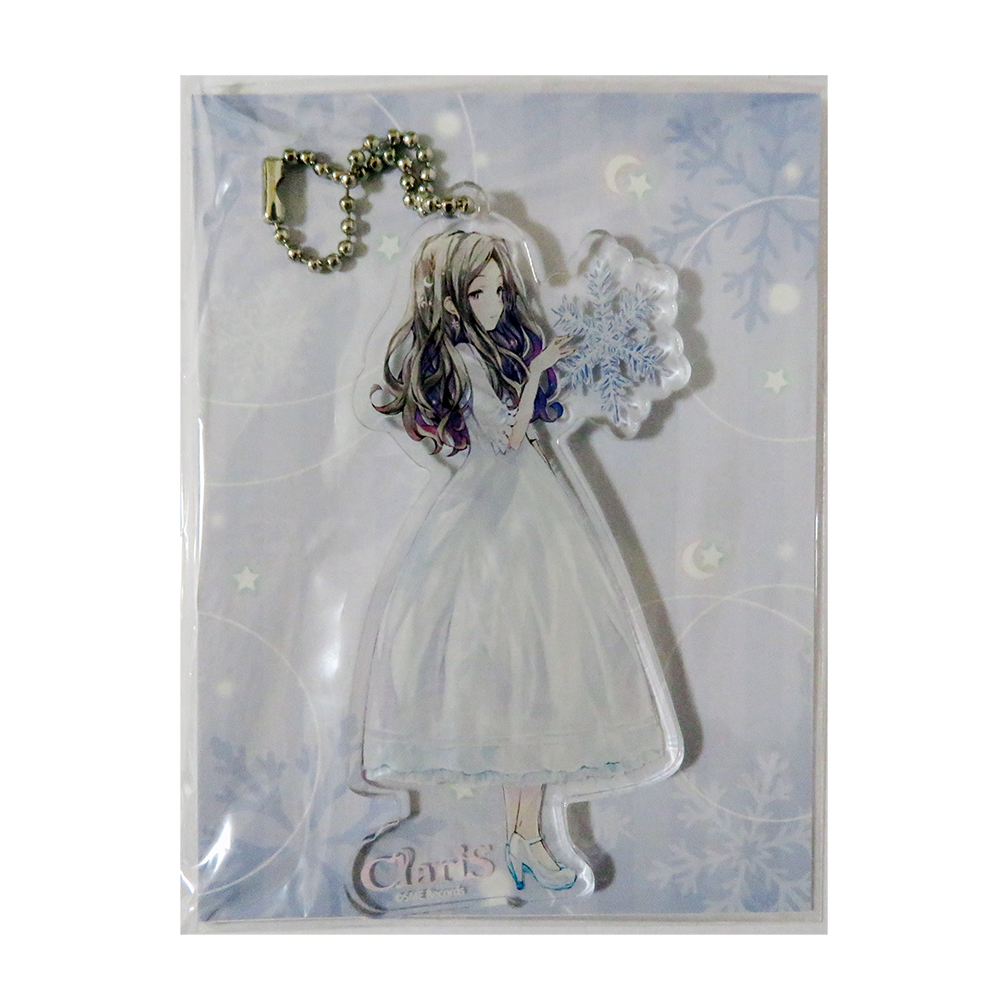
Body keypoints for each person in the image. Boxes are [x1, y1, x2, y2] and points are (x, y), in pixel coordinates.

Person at [363, 231, 671, 891]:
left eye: (501, 290)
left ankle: (526, 837)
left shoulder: (489, 349)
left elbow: (523, 431)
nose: (495, 303)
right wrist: (536, 371)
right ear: (451, 298)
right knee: (516, 664)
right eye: (479, 292)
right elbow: (505, 436)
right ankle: (523, 839)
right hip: (496, 505)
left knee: (540, 665)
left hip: (528, 499)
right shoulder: (462, 358)